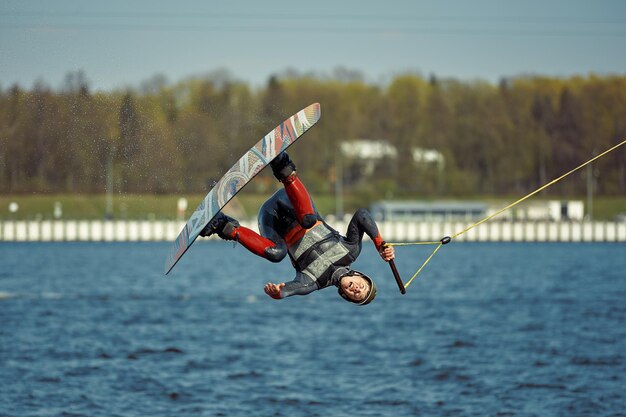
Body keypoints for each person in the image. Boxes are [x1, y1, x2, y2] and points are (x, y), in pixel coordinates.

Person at [201, 152, 394, 305]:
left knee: (277, 254)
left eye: (356, 295)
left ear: (345, 295)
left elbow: (290, 289)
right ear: (360, 276)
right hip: (289, 201)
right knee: (309, 220)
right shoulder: (351, 250)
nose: (357, 290)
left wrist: (279, 293)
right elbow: (362, 215)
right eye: (362, 287)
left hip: (270, 218)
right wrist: (380, 244)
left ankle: (222, 225)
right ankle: (282, 166)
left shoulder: (311, 282)